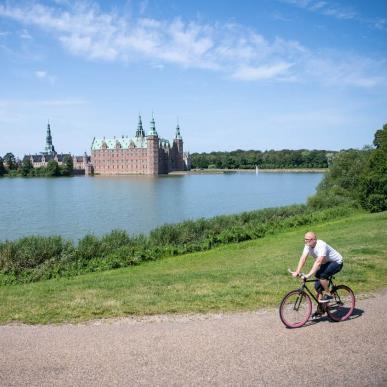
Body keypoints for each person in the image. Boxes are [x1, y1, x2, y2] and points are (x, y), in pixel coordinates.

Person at [292, 231, 343, 315]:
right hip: (326, 263)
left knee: (322, 276)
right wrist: (298, 271)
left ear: (313, 240)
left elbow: (318, 262)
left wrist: (308, 275)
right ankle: (321, 309)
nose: (305, 241)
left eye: (307, 239)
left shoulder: (321, 245)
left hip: (336, 262)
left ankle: (328, 294)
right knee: (317, 286)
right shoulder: (308, 246)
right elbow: (303, 258)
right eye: (304, 239)